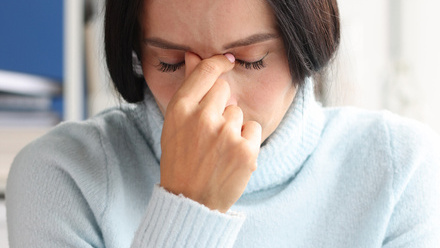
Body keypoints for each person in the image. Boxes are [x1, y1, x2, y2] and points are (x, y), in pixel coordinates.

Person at [6, 0, 440, 247]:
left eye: (250, 61)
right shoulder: (62, 176)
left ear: (305, 42)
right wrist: (188, 204)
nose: (216, 96)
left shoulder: (400, 168)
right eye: (170, 63)